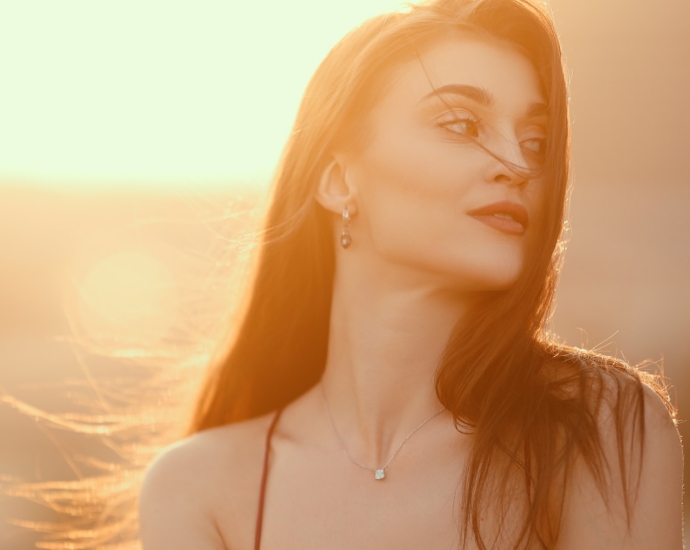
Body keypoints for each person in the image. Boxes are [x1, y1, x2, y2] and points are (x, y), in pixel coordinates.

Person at [138, 0, 683, 548]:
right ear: (337, 179)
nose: (518, 165)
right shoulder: (197, 487)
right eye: (462, 124)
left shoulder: (603, 428)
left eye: (536, 142)